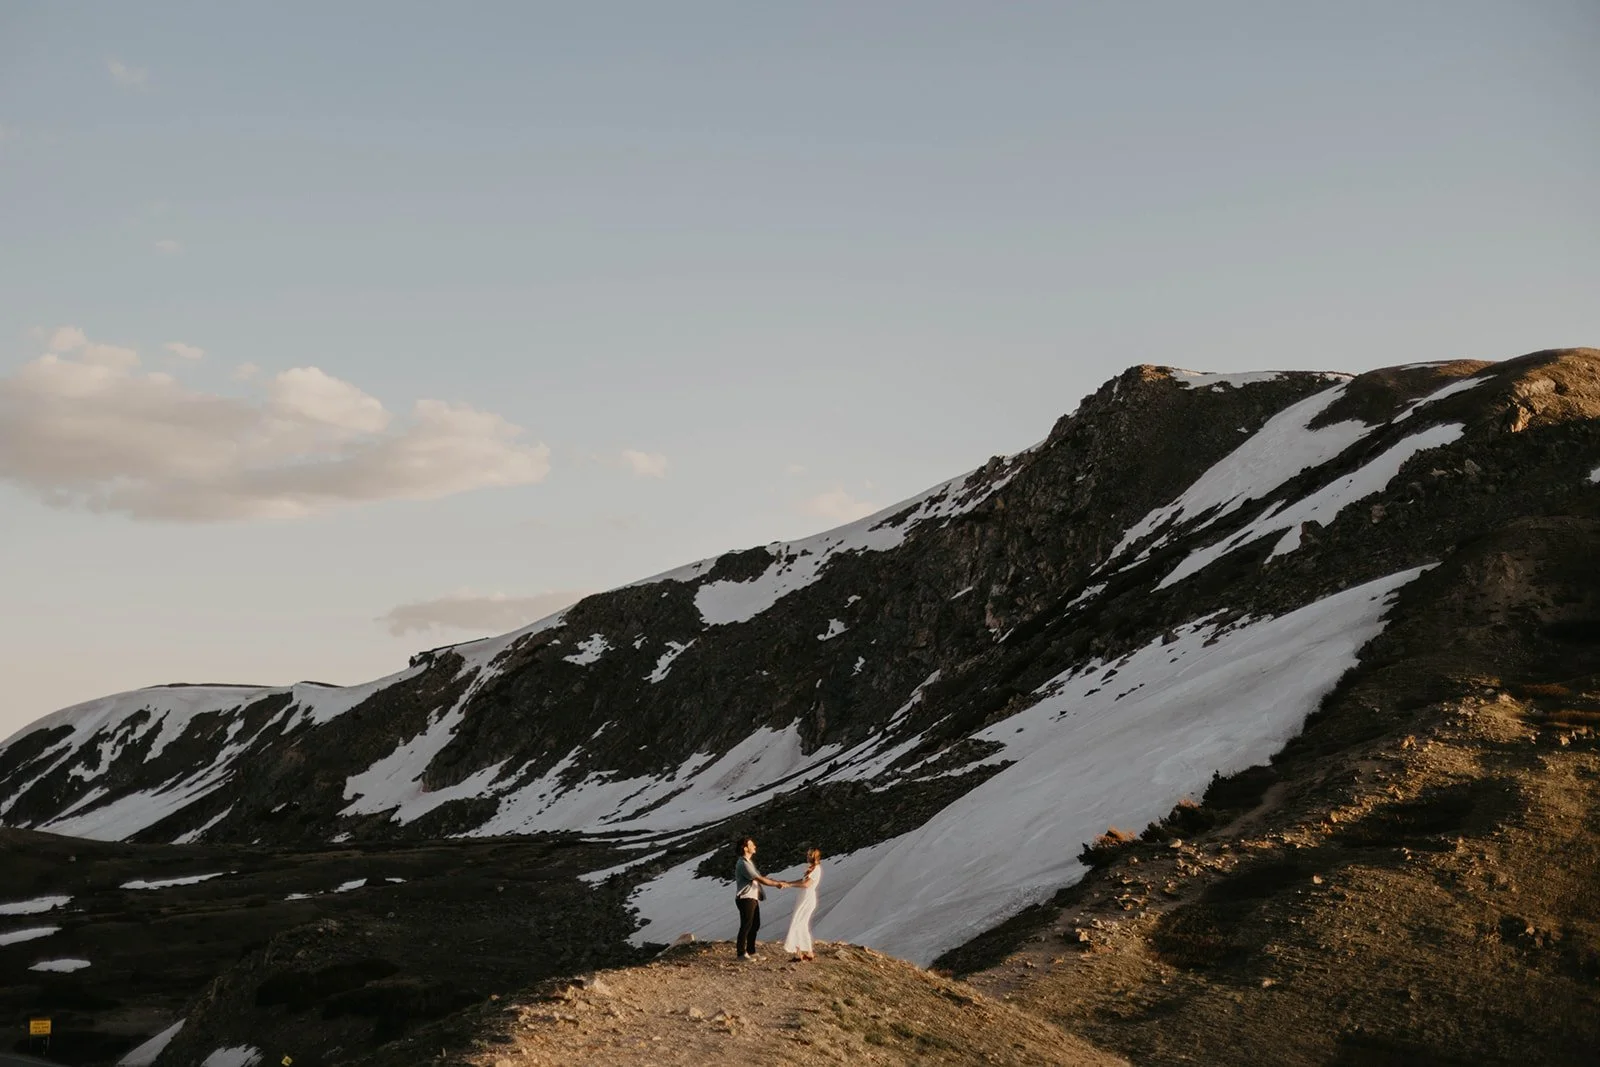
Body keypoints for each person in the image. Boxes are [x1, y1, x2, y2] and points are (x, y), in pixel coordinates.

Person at [732, 837, 786, 961]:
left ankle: (751, 951)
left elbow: (759, 877)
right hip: (746, 898)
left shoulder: (748, 862)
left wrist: (775, 881)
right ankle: (741, 953)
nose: (755, 846)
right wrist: (776, 884)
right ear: (745, 848)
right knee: (746, 925)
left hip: (752, 897)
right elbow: (759, 879)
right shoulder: (743, 863)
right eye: (752, 845)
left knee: (754, 925)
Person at [782, 848, 824, 961]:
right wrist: (788, 883)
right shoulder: (812, 869)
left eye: (810, 855)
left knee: (799, 923)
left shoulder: (817, 869)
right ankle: (804, 952)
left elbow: (806, 884)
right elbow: (802, 880)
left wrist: (789, 885)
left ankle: (800, 953)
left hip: (807, 899)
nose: (807, 856)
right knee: (800, 924)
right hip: (803, 898)